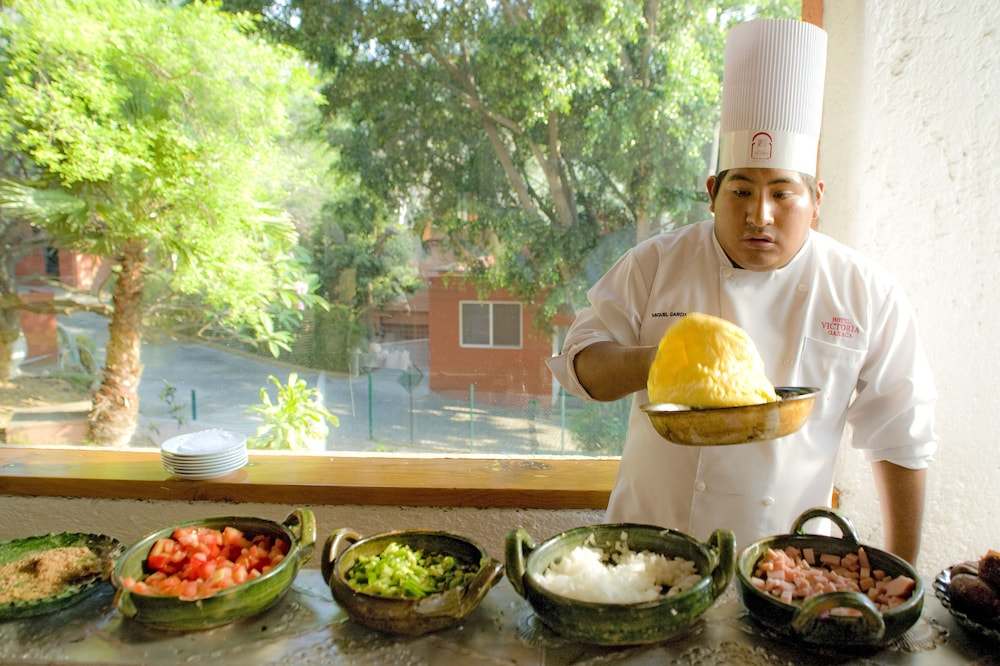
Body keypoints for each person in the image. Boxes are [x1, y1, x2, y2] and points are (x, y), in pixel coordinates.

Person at [546, 19, 937, 565]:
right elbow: (580, 368)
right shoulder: (656, 262)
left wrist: (902, 575)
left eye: (783, 193)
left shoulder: (865, 292)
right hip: (646, 552)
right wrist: (666, 362)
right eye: (741, 190)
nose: (760, 215)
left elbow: (902, 437)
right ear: (712, 192)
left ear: (817, 199)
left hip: (785, 564)